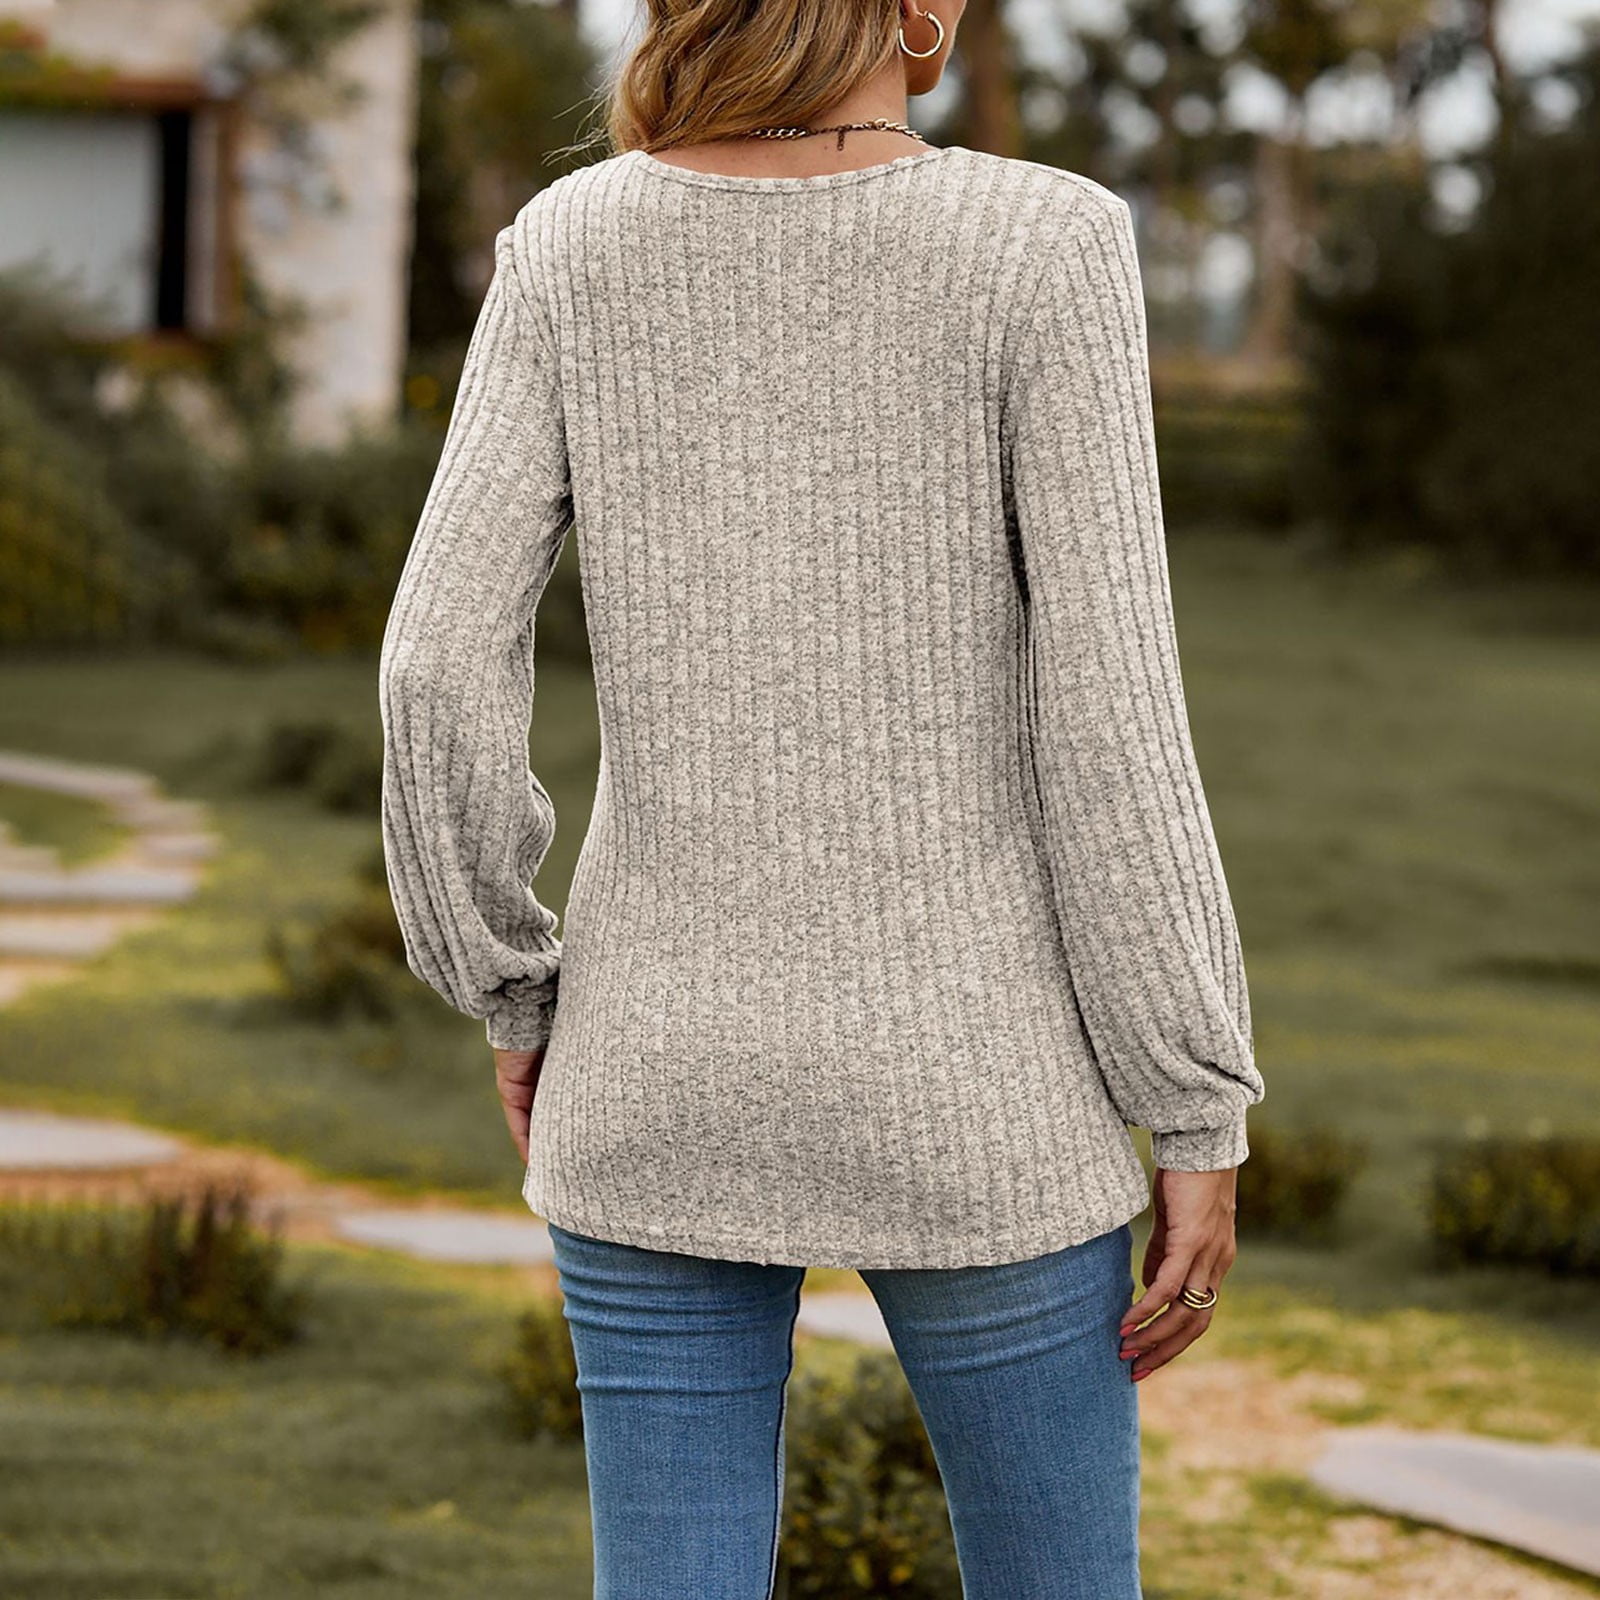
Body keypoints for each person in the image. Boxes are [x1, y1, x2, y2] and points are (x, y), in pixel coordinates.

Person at [378, 1, 1265, 1594]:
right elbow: (1113, 711)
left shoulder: (570, 243)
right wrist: (1192, 1096)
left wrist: (514, 984)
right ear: (917, 8)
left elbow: (431, 666)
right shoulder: (1044, 242)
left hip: (652, 1067)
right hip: (985, 1086)